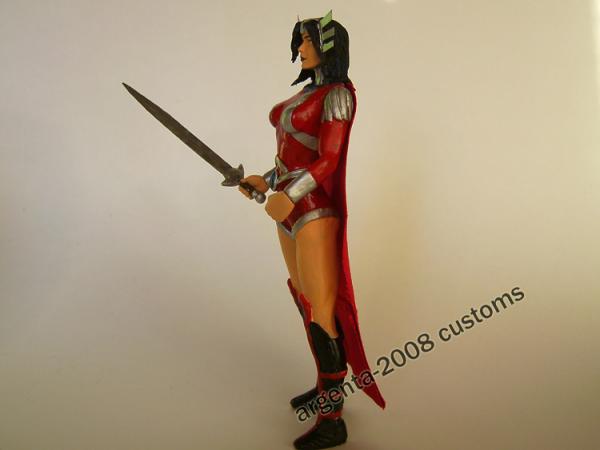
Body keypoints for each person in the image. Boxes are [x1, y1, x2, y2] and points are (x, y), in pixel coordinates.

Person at [239, 10, 385, 450]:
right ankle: (326, 385)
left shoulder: (337, 95)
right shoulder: (306, 93)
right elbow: (292, 157)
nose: (300, 48)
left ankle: (332, 419)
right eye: (299, 40)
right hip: (288, 208)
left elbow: (329, 160)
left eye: (307, 40)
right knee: (305, 300)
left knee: (322, 312)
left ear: (328, 47)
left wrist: (289, 194)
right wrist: (266, 179)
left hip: (313, 212)